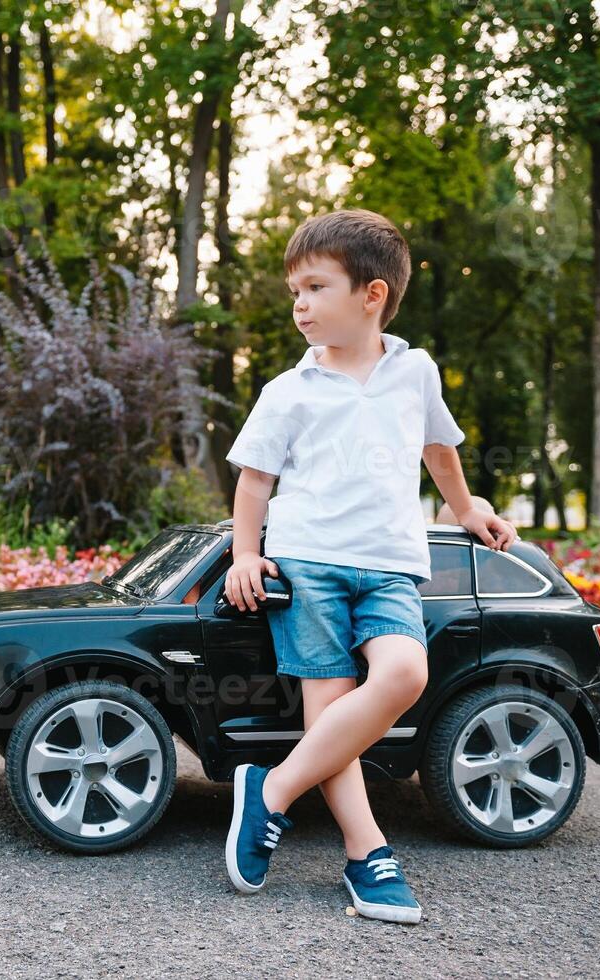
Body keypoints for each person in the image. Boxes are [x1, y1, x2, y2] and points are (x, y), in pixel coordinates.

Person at [221, 209, 518, 924]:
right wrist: (244, 553)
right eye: (293, 289)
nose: (298, 304)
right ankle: (367, 855)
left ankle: (269, 794)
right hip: (309, 564)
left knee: (402, 675)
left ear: (371, 294)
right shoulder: (287, 390)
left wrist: (466, 508)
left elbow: (437, 448)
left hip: (388, 565)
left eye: (314, 287)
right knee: (332, 714)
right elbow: (254, 480)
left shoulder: (412, 371)